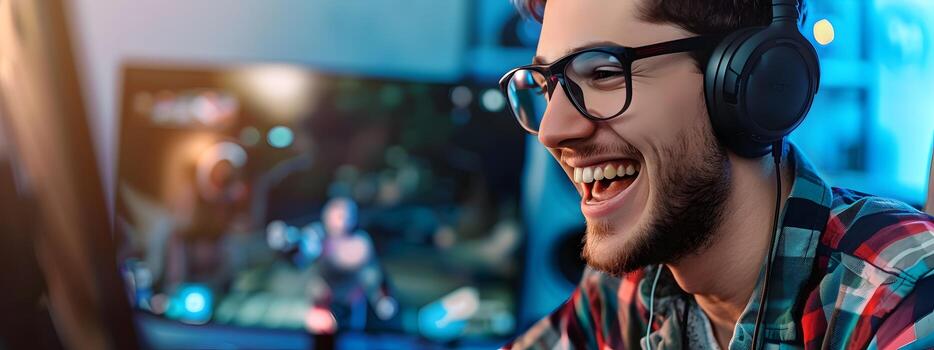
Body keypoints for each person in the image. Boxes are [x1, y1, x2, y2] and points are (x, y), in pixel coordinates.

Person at [499, 0, 934, 349]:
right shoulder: (629, 292)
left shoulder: (902, 298)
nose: (552, 131)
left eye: (603, 73)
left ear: (748, 84)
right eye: (547, 87)